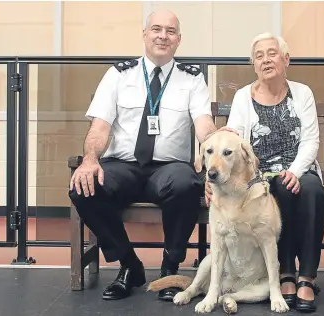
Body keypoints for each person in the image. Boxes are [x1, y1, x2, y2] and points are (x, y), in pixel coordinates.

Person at [68, 9, 220, 302]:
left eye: (171, 31)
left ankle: (170, 268)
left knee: (186, 183)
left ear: (179, 40)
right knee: (82, 188)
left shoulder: (192, 79)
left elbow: (205, 127)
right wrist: (90, 160)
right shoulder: (118, 75)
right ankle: (129, 265)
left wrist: (215, 147)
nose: (163, 36)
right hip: (123, 166)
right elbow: (100, 128)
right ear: (144, 34)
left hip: (169, 168)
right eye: (156, 29)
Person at [205, 32, 324, 313]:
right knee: (277, 191)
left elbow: (311, 140)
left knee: (314, 193)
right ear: (253, 64)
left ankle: (307, 277)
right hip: (258, 177)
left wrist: (296, 171)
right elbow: (234, 138)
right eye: (259, 56)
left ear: (286, 59)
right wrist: (214, 173)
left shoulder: (303, 93)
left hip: (300, 169)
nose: (266, 60)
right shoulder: (242, 97)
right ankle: (285, 274)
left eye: (272, 53)